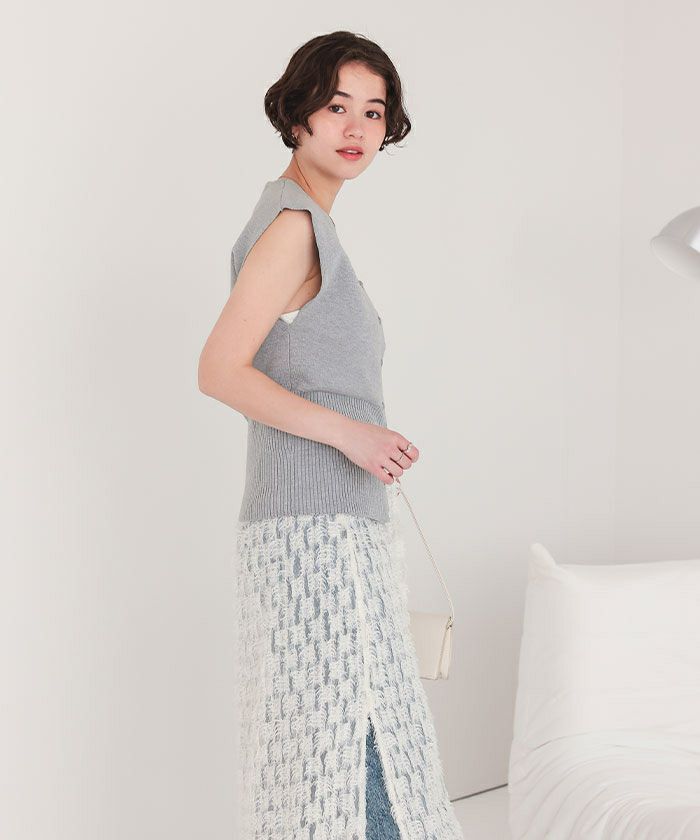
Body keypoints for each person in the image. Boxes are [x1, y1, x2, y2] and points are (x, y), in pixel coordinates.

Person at [198, 30, 464, 840]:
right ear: (298, 116)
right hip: (318, 531)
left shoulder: (304, 221)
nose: (356, 127)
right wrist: (352, 435)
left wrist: (359, 438)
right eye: (336, 105)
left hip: (326, 525)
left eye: (374, 112)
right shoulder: (294, 225)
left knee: (336, 754)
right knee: (358, 755)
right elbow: (220, 370)